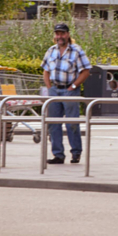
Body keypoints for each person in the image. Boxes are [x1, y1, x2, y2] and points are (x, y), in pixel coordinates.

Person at [42, 22, 91, 165]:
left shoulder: (76, 51)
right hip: (54, 90)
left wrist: (73, 86)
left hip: (70, 90)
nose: (60, 36)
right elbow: (46, 70)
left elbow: (86, 71)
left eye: (62, 33)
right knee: (53, 124)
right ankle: (58, 155)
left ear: (68, 34)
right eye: (57, 33)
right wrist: (49, 87)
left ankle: (76, 153)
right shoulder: (51, 50)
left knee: (72, 123)